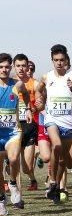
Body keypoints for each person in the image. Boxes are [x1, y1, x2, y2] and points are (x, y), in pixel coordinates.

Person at [37, 44, 72, 204]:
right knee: (56, 146)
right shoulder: (46, 77)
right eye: (56, 60)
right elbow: (38, 89)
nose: (59, 63)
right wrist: (39, 100)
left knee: (67, 162)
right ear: (52, 61)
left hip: (68, 123)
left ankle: (56, 184)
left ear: (66, 60)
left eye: (61, 60)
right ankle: (51, 181)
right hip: (51, 120)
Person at [0, 53, 33, 215]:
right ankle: (1, 199)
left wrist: (27, 109)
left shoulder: (17, 84)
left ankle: (13, 183)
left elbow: (26, 95)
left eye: (7, 66)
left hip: (13, 131)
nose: (4, 70)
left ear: (11, 67)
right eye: (1, 67)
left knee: (13, 158)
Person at [12, 53, 41, 197]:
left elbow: (42, 104)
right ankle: (14, 190)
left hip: (29, 126)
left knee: (27, 167)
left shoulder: (34, 84)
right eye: (18, 66)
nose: (21, 68)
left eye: (24, 65)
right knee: (11, 159)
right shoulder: (9, 83)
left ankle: (33, 179)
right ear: (14, 66)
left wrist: (34, 108)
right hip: (13, 127)